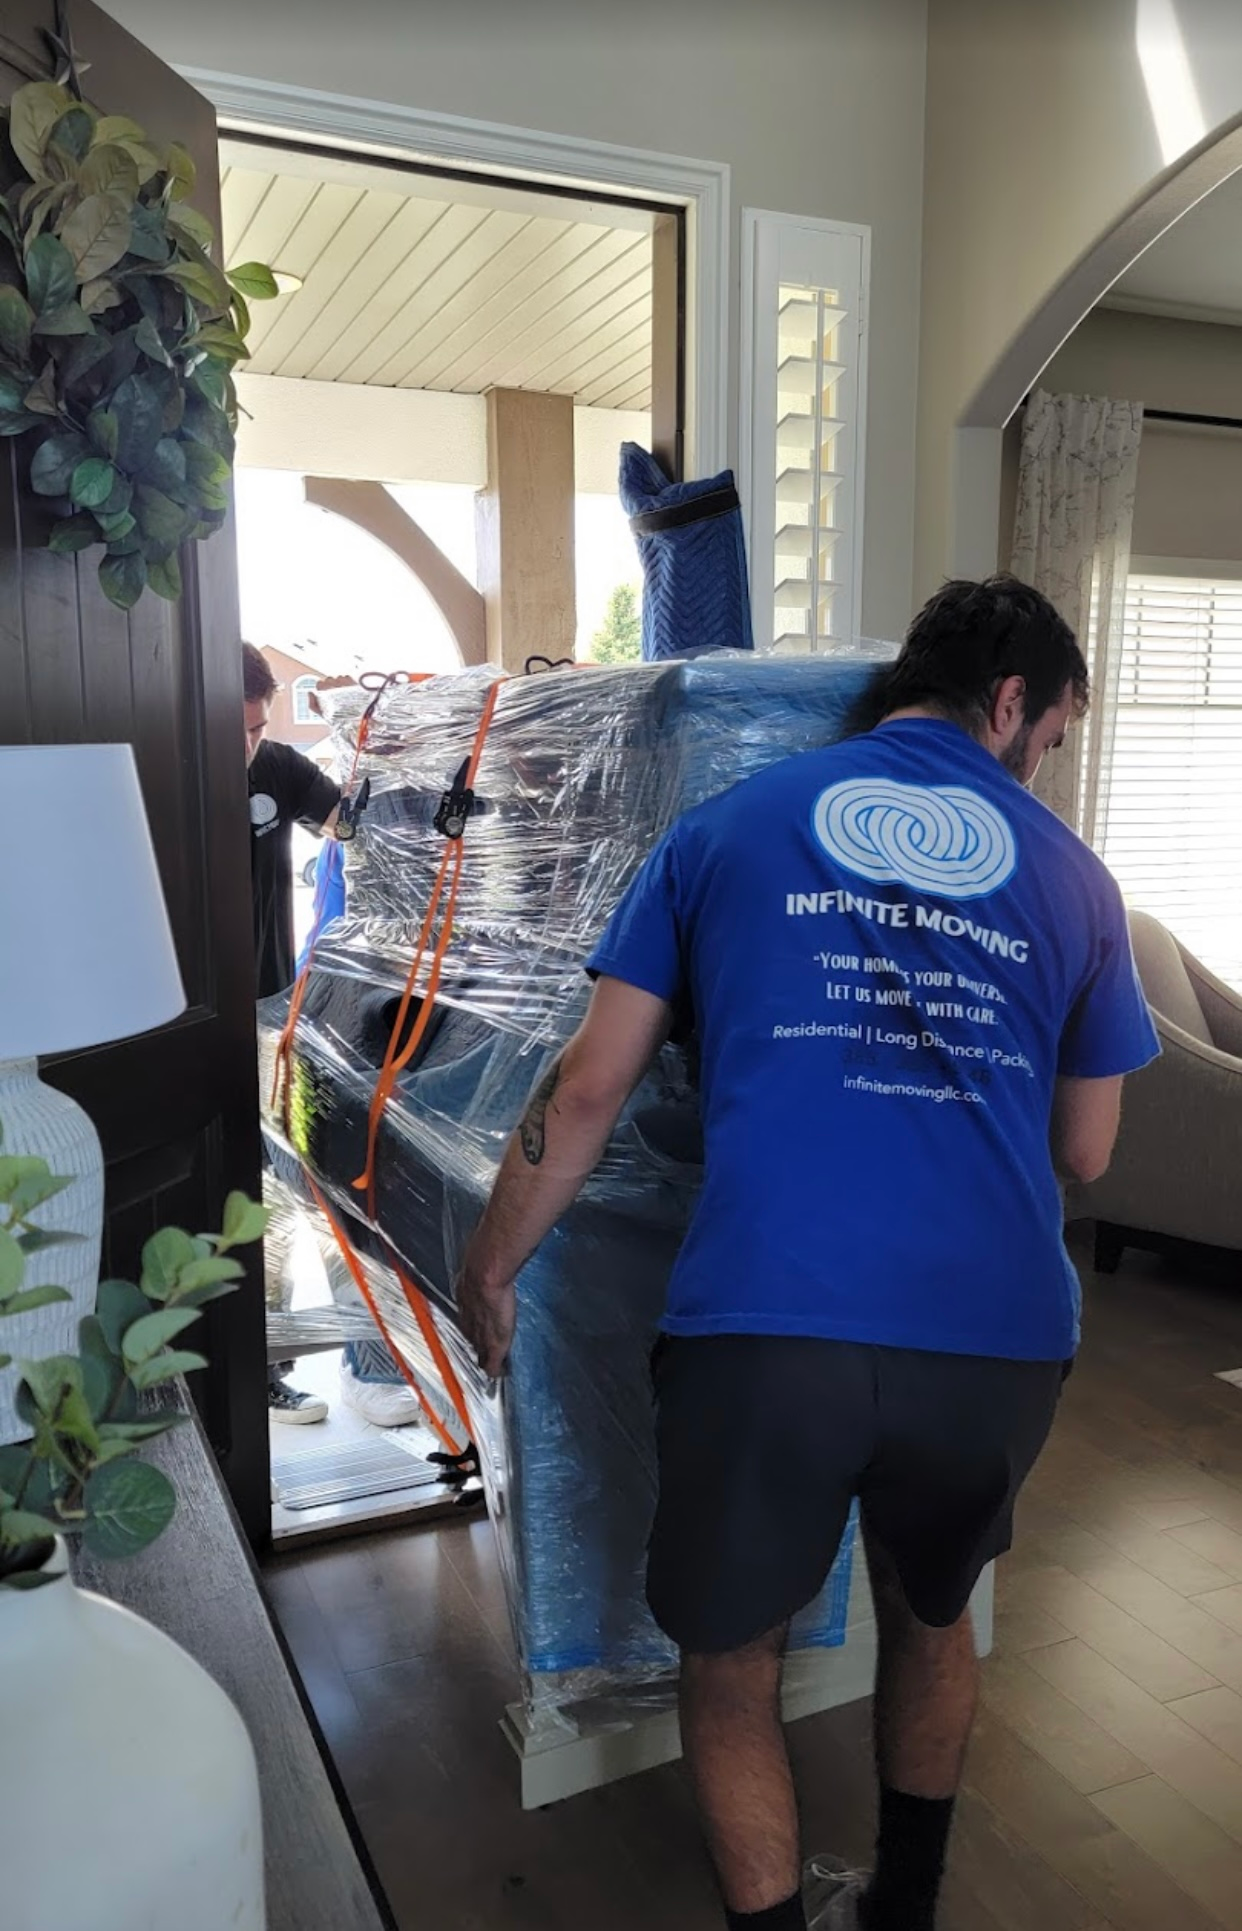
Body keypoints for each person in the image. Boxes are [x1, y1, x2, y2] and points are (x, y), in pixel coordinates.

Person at [455, 576, 1159, 1931]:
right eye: (1054, 731)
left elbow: (588, 1088)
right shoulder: (1077, 879)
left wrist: (490, 1268)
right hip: (994, 1339)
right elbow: (1086, 1152)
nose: (1045, 765)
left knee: (731, 1664)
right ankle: (899, 1912)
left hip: (769, 1329)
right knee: (933, 1612)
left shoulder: (723, 827)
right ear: (1009, 701)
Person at [243, 642, 342, 1425]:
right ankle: (245, 1374)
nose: (247, 743)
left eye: (256, 726)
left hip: (277, 1007)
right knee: (237, 1191)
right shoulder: (169, 769)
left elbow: (354, 824)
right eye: (236, 728)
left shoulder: (278, 768)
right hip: (187, 1021)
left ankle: (280, 1362)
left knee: (290, 1183)